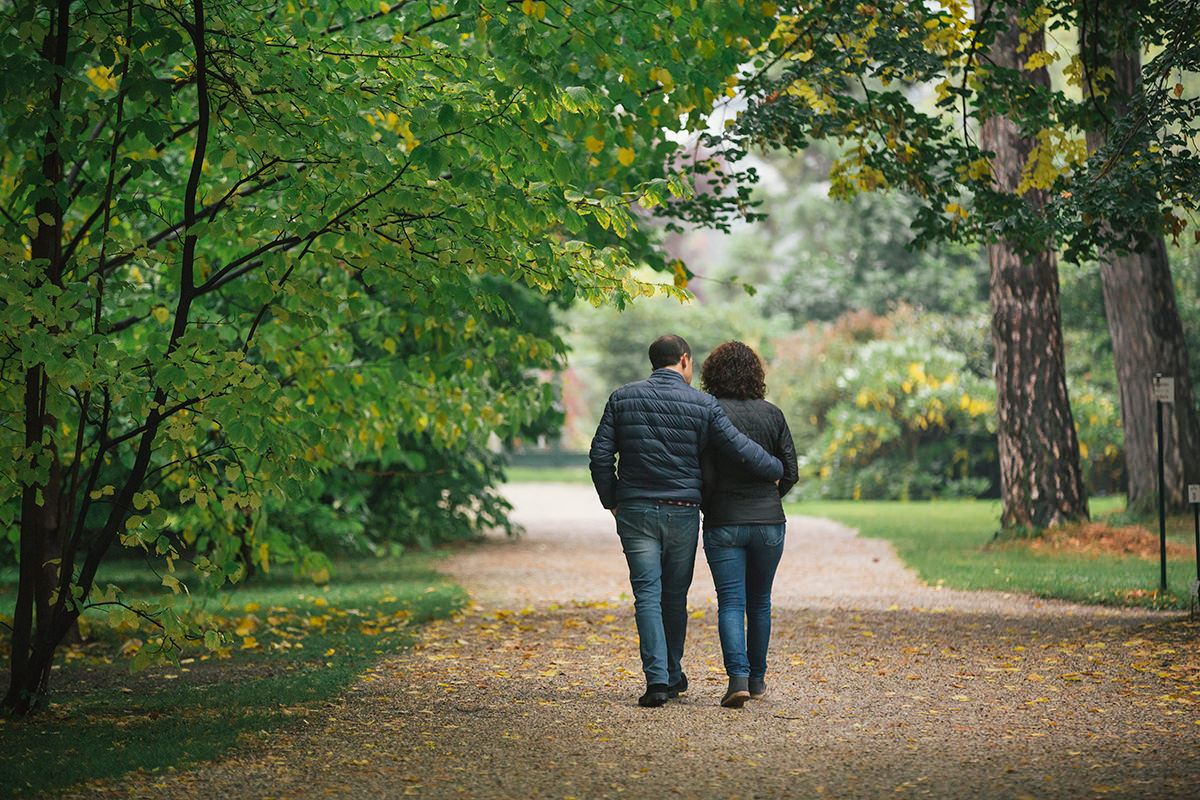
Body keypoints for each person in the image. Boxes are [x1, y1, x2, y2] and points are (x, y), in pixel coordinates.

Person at [589, 334, 784, 708]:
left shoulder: (622, 397)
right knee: (673, 597)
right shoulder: (703, 403)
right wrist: (775, 468)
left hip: (635, 510)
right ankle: (673, 671)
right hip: (681, 510)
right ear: (684, 360)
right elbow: (739, 447)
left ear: (652, 362)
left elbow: (600, 455)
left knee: (646, 594)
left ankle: (659, 680)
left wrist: (612, 500)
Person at [699, 341, 798, 708]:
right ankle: (757, 681)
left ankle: (736, 679)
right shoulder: (773, 415)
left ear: (712, 374)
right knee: (760, 602)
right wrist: (771, 499)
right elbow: (790, 472)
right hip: (769, 522)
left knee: (730, 602)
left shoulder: (710, 414)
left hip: (724, 520)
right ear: (757, 374)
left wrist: (711, 505)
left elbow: (705, 473)